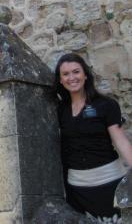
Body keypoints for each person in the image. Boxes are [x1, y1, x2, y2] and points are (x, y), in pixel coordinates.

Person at [54, 53, 132, 221]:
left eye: (76, 72)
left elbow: (120, 140)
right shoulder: (59, 111)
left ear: (85, 75)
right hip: (77, 191)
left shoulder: (106, 105)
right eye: (66, 74)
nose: (72, 77)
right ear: (60, 80)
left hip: (110, 184)